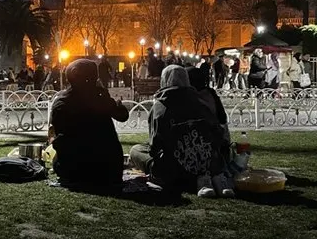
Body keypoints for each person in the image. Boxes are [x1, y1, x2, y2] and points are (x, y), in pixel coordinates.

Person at [129, 66, 227, 197]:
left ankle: (161, 176)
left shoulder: (160, 107)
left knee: (136, 150)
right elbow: (217, 135)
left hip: (174, 170)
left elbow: (155, 147)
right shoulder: (201, 103)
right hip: (207, 165)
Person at [50, 59, 129, 188]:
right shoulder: (100, 98)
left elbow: (61, 139)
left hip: (76, 170)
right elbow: (122, 115)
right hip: (108, 170)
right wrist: (109, 99)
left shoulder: (62, 102)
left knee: (56, 159)